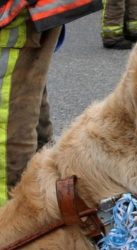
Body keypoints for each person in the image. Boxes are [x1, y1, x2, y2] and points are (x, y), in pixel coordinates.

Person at [0, 0, 101, 206]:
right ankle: (38, 196)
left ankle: (11, 212)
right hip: (26, 10)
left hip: (16, 11)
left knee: (7, 117)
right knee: (24, 99)